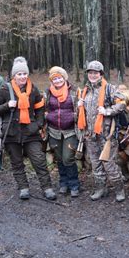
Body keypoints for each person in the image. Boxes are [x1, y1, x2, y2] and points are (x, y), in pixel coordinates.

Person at [0, 57, 56, 201]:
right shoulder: (4, 89)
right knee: (17, 162)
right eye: (19, 74)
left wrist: (38, 125)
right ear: (14, 75)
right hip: (11, 132)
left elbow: (40, 109)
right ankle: (23, 188)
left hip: (30, 132)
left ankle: (47, 188)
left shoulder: (33, 89)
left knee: (39, 160)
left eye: (24, 74)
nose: (22, 76)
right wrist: (7, 105)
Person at [77, 61, 127, 202]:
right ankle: (100, 189)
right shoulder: (84, 91)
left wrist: (107, 111)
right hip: (90, 134)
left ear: (101, 74)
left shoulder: (109, 89)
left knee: (109, 164)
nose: (93, 75)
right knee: (96, 164)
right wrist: (79, 105)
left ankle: (119, 190)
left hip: (106, 135)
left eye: (96, 73)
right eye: (90, 72)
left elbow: (122, 103)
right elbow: (80, 115)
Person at [45, 66, 80, 197]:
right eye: (54, 79)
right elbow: (44, 107)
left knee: (68, 158)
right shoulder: (48, 92)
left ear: (64, 78)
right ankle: (63, 183)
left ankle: (74, 184)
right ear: (51, 81)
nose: (57, 80)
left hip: (70, 131)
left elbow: (80, 108)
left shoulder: (74, 91)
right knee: (59, 159)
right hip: (54, 131)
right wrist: (46, 116)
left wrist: (75, 116)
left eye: (59, 78)